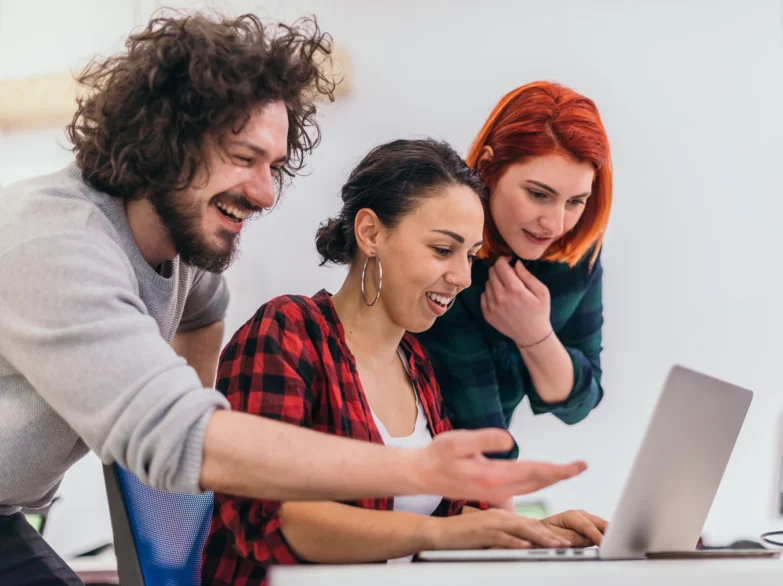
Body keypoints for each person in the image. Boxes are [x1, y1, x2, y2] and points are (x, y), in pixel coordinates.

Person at [0, 16, 585, 586]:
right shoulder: (60, 246)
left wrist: (515, 529)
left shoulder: (178, 254)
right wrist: (413, 469)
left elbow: (205, 307)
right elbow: (191, 444)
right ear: (164, 141)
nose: (265, 192)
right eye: (243, 157)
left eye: (274, 165)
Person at [201, 138, 606, 586]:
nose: (463, 277)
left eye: (470, 255)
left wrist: (530, 533)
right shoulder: (287, 332)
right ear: (371, 233)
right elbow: (275, 520)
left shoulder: (416, 364)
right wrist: (440, 534)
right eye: (442, 250)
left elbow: (454, 514)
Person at [417, 81, 613, 466]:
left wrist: (533, 334)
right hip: (420, 471)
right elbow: (480, 438)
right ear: (488, 167)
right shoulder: (444, 248)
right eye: (539, 194)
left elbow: (580, 402)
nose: (555, 223)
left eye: (575, 201)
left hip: (483, 483)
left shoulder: (579, 254)